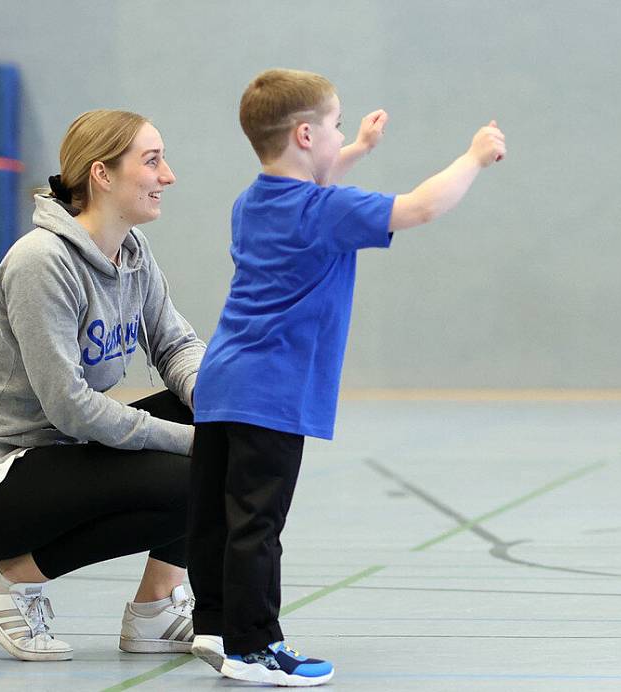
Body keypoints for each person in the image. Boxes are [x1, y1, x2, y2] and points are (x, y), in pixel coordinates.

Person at [187, 68, 506, 686]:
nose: (340, 135)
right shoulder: (324, 210)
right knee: (259, 522)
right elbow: (420, 207)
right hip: (272, 393)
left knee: (214, 516)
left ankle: (216, 625)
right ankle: (254, 647)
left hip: (222, 383)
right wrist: (473, 157)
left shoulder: (250, 202)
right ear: (306, 134)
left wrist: (356, 147)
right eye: (334, 126)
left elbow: (314, 175)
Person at [0, 109, 205, 661]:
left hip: (55, 462)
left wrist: (216, 403)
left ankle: (155, 611)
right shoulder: (41, 262)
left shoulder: (134, 254)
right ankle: (3, 583)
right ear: (102, 174)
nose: (168, 175)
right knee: (198, 476)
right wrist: (191, 442)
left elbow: (176, 345)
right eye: (152, 160)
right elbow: (71, 408)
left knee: (224, 430)